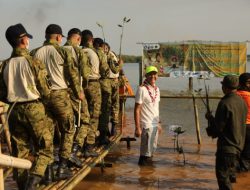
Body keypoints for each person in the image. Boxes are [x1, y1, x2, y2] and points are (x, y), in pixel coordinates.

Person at [0, 23, 54, 189]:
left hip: (14, 112)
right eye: (27, 38)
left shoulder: (4, 64)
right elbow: (45, 90)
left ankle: (23, 186)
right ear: (23, 40)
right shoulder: (33, 62)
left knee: (19, 151)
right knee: (45, 148)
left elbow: (2, 94)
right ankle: (34, 179)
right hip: (33, 108)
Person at [31, 24, 83, 180]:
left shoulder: (34, 53)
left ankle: (47, 172)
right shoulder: (63, 51)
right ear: (59, 37)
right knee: (68, 128)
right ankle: (62, 167)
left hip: (41, 97)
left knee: (47, 133)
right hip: (60, 94)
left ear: (46, 35)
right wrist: (78, 92)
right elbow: (72, 74)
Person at [205, 75, 247, 190]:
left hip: (227, 148)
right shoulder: (242, 102)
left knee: (223, 179)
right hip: (239, 147)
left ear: (225, 87)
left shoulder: (224, 103)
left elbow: (219, 128)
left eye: (222, 85)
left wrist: (210, 119)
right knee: (230, 178)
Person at [63, 28, 97, 157]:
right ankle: (75, 149)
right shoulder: (77, 51)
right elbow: (85, 73)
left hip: (58, 92)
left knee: (66, 124)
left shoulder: (58, 50)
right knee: (85, 119)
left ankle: (63, 154)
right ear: (78, 39)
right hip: (74, 90)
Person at [134, 65, 161, 166]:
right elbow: (137, 109)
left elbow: (156, 108)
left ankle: (148, 176)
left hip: (155, 125)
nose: (153, 76)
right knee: (144, 156)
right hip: (146, 125)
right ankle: (144, 177)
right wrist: (137, 128)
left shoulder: (157, 90)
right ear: (146, 76)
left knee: (152, 152)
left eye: (155, 74)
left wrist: (159, 123)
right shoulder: (141, 89)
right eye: (150, 74)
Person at [81, 30, 102, 149]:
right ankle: (89, 144)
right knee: (94, 114)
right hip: (93, 84)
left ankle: (80, 142)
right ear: (92, 40)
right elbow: (104, 69)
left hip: (80, 85)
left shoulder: (77, 51)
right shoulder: (95, 52)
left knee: (82, 114)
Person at [103, 42, 123, 136]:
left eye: (106, 48)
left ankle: (114, 127)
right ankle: (106, 128)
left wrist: (122, 78)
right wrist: (120, 65)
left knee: (115, 105)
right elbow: (116, 69)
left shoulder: (112, 54)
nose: (105, 49)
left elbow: (118, 70)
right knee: (107, 105)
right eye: (103, 48)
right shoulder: (102, 56)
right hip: (107, 82)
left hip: (115, 81)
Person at [236, 73, 250, 171]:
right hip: (249, 127)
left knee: (237, 152)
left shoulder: (233, 96)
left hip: (236, 128)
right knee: (247, 154)